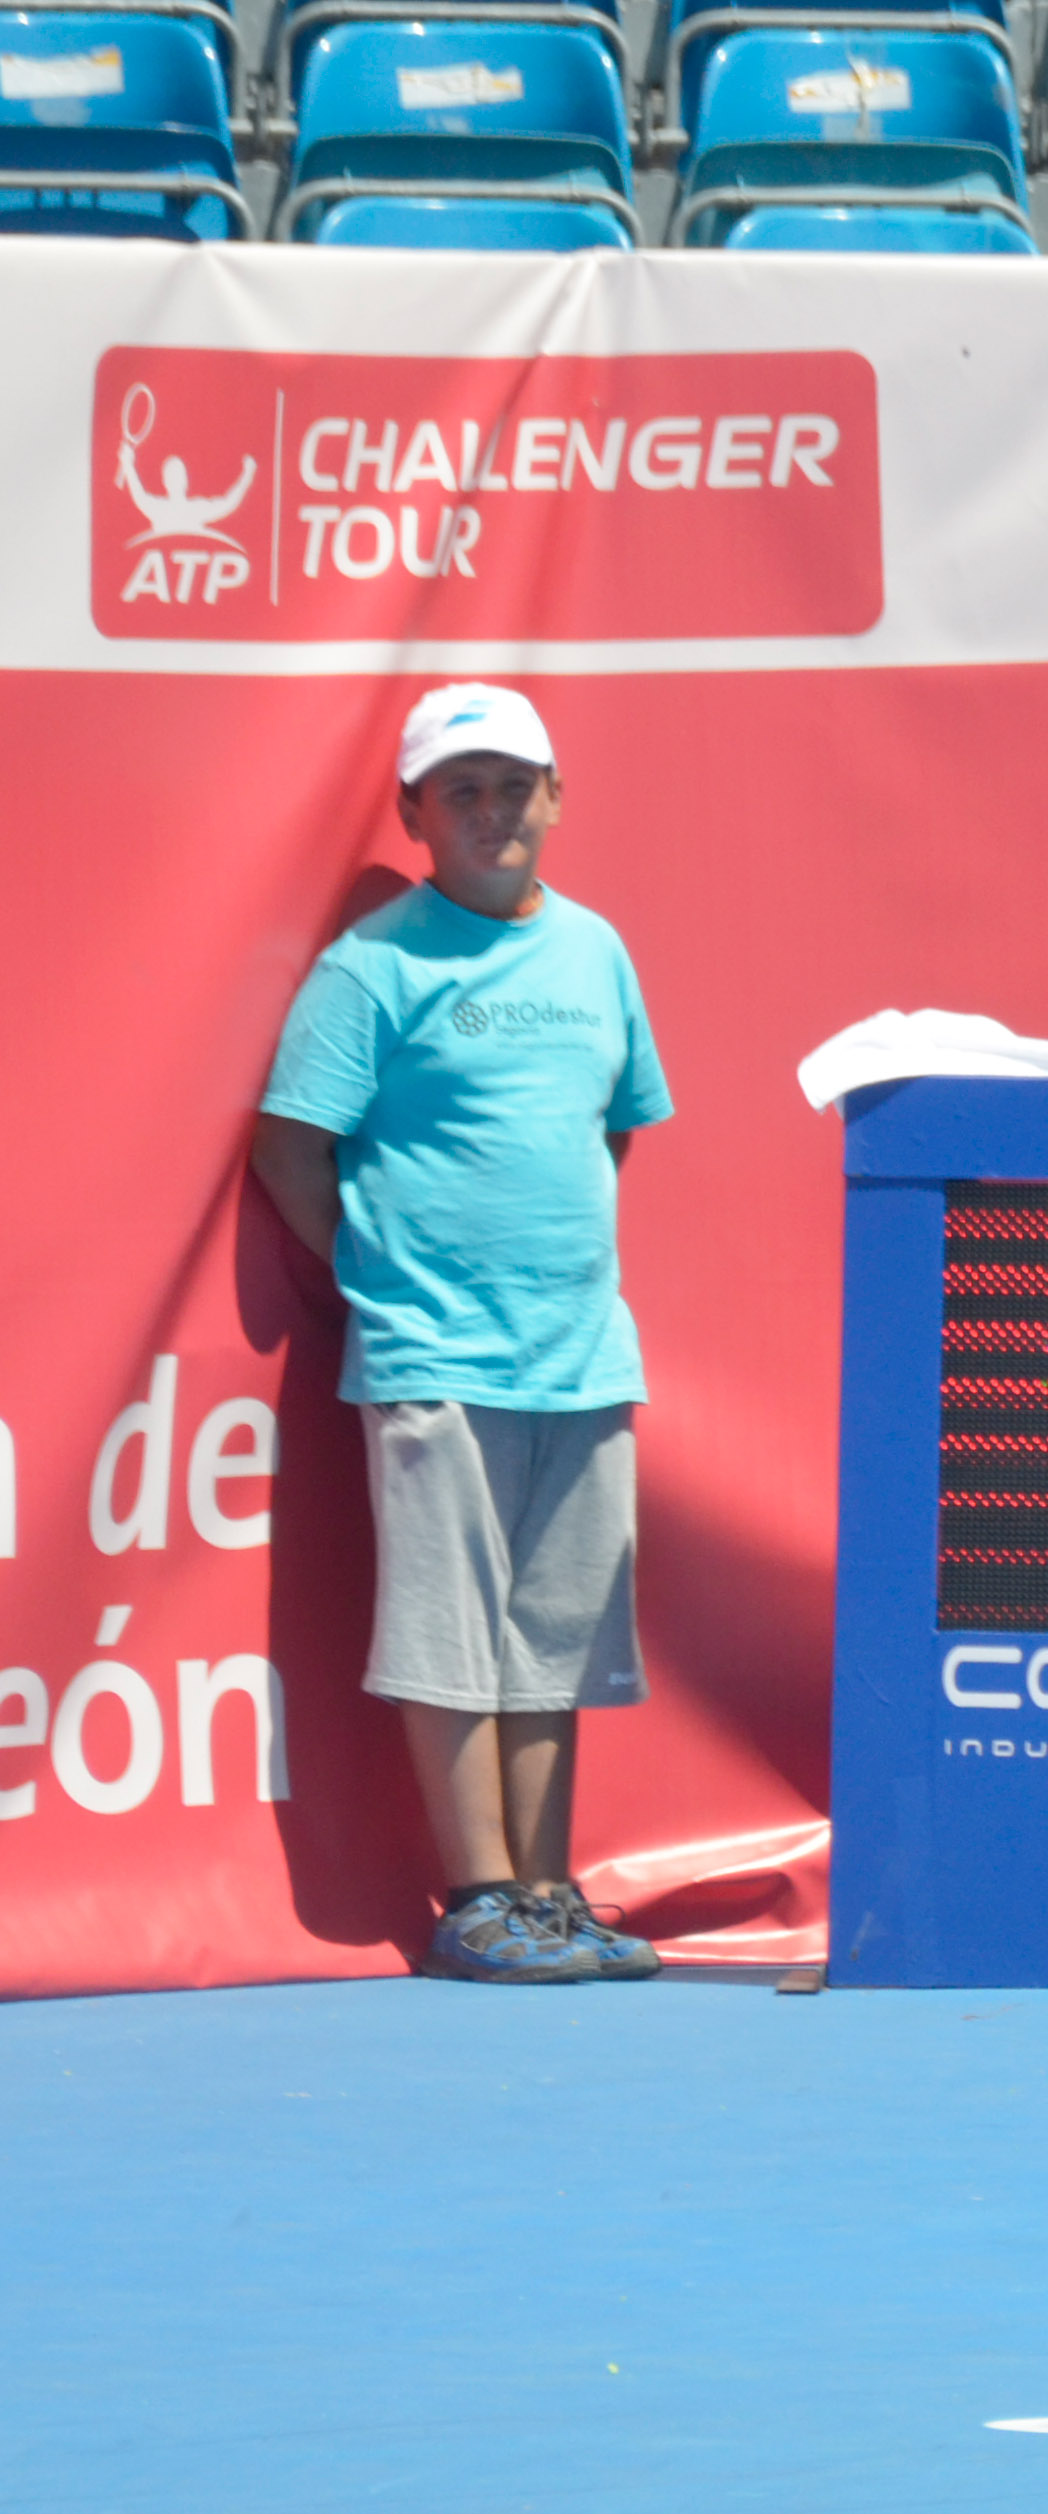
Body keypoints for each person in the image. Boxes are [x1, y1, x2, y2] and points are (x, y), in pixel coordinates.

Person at [250, 684, 676, 1986]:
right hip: (434, 1358)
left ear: (554, 798)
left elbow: (611, 1131)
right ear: (416, 816)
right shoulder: (372, 965)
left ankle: (545, 1896)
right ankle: (477, 1895)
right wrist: (385, 1277)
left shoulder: (598, 951)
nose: (493, 812)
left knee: (555, 1640)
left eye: (513, 787)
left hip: (582, 1359)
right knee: (453, 1635)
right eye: (463, 792)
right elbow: (289, 1146)